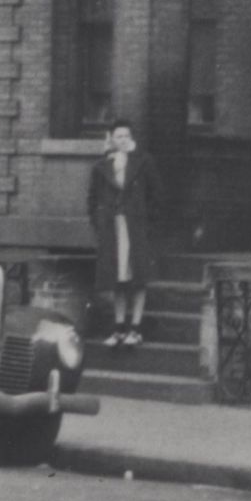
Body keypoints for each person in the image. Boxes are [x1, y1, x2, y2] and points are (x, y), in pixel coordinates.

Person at [86, 119, 164, 349]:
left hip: (136, 227)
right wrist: (99, 222)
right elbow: (92, 198)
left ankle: (136, 329)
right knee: (117, 279)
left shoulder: (143, 161)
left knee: (138, 278)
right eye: (118, 136)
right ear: (111, 138)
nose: (123, 140)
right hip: (112, 228)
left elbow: (157, 194)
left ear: (131, 138)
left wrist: (147, 222)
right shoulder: (101, 165)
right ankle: (119, 328)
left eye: (126, 136)